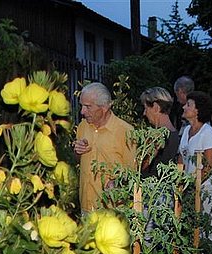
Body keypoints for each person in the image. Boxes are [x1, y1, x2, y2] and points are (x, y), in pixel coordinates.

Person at [178, 91, 212, 254]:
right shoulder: (186, 131)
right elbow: (181, 158)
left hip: (207, 190)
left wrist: (193, 185)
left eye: (188, 104)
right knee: (194, 228)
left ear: (198, 110)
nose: (184, 107)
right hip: (191, 189)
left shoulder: (208, 133)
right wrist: (179, 182)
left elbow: (208, 166)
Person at [74, 82, 135, 212]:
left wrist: (117, 183)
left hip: (112, 211)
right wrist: (77, 152)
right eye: (82, 106)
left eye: (88, 107)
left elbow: (133, 173)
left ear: (104, 107)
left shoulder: (125, 132)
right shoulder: (82, 127)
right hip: (86, 208)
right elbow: (78, 160)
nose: (82, 111)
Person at [140, 87, 179, 178]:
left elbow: (142, 165)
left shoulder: (157, 136)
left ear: (156, 107)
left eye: (146, 108)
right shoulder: (177, 136)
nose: (144, 113)